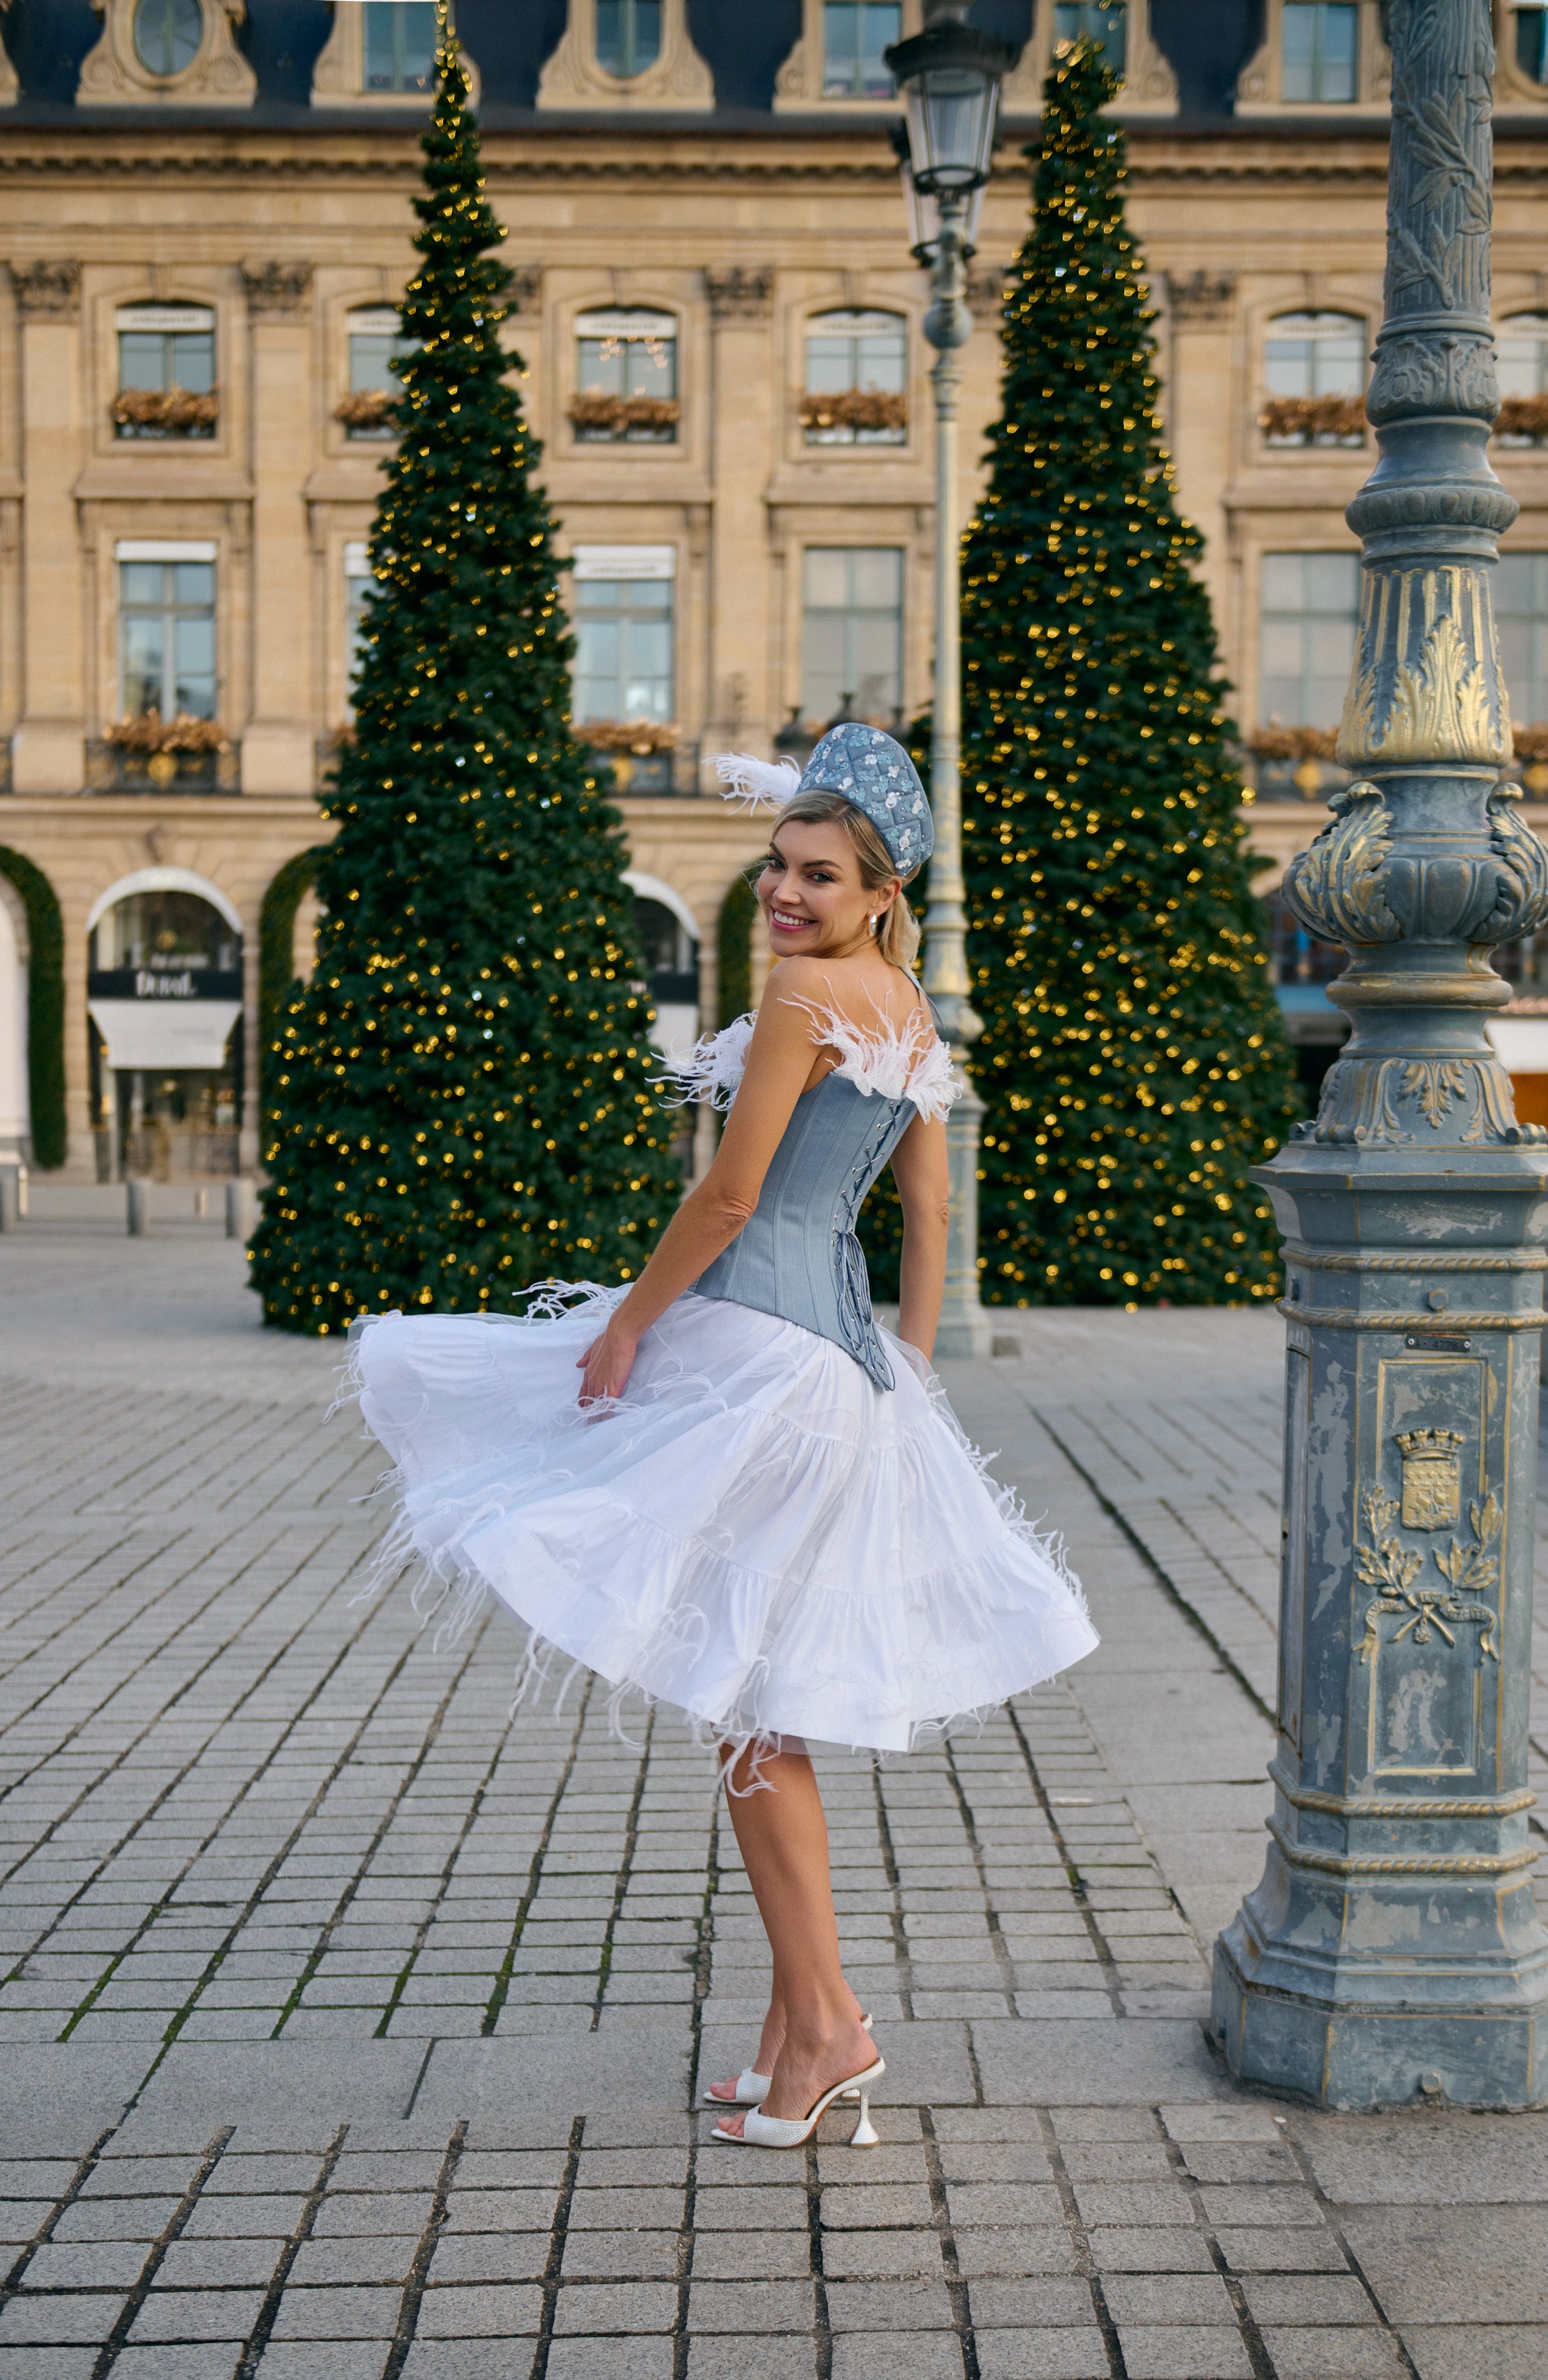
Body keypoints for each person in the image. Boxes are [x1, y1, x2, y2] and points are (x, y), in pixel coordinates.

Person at [351, 722, 1098, 2150]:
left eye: (818, 873)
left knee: (751, 1702)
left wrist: (625, 1326)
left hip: (757, 1354)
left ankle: (828, 2023)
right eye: (778, 865)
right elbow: (929, 1211)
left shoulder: (810, 995)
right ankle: (791, 2020)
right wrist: (913, 1366)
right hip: (843, 1371)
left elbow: (730, 1200)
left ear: (878, 889)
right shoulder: (911, 1012)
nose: (786, 892)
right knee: (758, 1696)